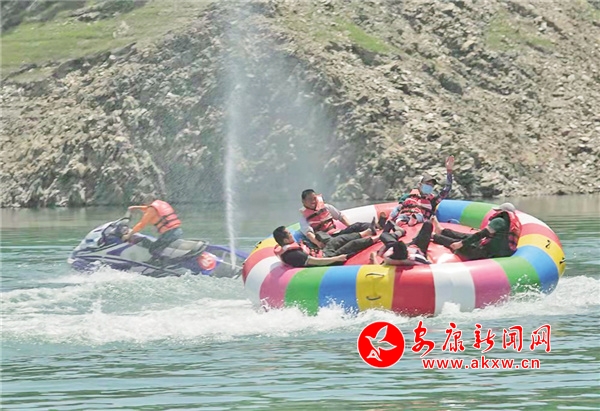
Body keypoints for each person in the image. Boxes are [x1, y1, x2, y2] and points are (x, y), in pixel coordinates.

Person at [383, 155, 454, 231]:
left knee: (417, 216)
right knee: (399, 216)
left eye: (431, 185)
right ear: (420, 185)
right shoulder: (408, 196)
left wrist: (449, 171)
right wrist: (391, 217)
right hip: (404, 216)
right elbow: (399, 207)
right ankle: (395, 222)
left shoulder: (433, 200)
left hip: (419, 220)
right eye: (427, 184)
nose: (429, 187)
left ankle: (412, 220)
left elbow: (447, 189)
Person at [431, 203, 522, 260]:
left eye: (498, 211)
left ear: (502, 212)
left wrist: (461, 244)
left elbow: (480, 235)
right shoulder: (512, 224)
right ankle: (442, 231)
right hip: (496, 252)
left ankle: (434, 236)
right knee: (465, 236)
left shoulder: (499, 221)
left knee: (458, 242)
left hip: (485, 253)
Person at [299, 189, 377, 249]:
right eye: (309, 199)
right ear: (303, 201)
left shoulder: (326, 207)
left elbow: (340, 216)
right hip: (327, 238)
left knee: (356, 226)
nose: (313, 201)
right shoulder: (304, 218)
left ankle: (377, 226)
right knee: (344, 238)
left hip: (336, 233)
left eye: (314, 198)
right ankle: (366, 233)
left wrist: (350, 227)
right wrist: (318, 243)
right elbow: (309, 233)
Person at [273, 226, 379, 268]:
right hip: (326, 260)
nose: (292, 235)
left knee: (338, 239)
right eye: (289, 234)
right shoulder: (293, 254)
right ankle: (378, 238)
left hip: (322, 253)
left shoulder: (286, 247)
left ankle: (368, 232)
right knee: (352, 245)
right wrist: (337, 258)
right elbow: (315, 261)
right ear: (285, 240)